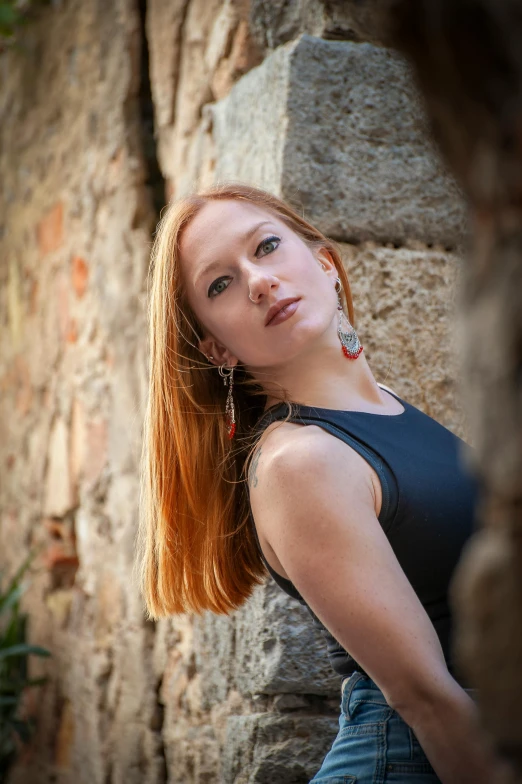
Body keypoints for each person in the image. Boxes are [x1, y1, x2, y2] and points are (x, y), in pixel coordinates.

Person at [136, 182, 499, 783]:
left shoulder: (385, 409)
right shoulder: (298, 463)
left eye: (267, 246)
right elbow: (427, 698)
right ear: (218, 348)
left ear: (325, 263)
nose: (258, 281)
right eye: (220, 284)